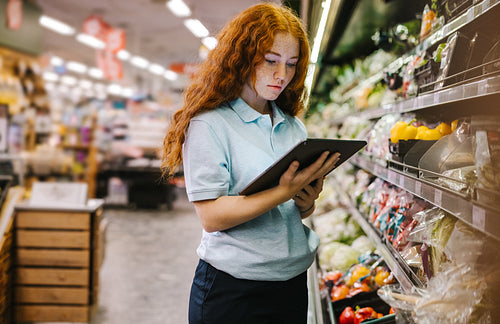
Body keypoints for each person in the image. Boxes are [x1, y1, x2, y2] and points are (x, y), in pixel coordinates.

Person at [161, 3, 340, 324]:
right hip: (234, 288)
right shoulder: (210, 124)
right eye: (270, 61)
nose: (281, 75)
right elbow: (212, 217)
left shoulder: (294, 127)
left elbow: (293, 213)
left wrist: (306, 200)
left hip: (291, 281)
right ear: (242, 57)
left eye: (291, 64)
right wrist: (284, 191)